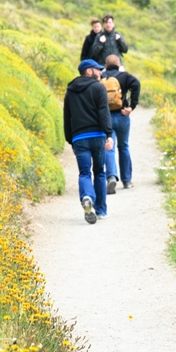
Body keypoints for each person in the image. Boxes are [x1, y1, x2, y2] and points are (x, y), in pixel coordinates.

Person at [63, 59, 113, 224]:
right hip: (98, 135)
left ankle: (86, 197)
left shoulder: (70, 91)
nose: (101, 73)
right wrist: (108, 134)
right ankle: (100, 210)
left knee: (84, 173)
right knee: (99, 172)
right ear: (89, 71)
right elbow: (104, 112)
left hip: (79, 138)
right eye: (98, 70)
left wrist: (70, 140)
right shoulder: (98, 88)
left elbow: (67, 117)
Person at [103, 54, 140, 193]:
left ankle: (111, 177)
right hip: (123, 115)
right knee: (123, 146)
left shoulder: (101, 76)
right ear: (119, 65)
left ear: (105, 65)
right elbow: (136, 84)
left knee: (109, 148)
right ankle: (127, 180)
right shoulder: (124, 76)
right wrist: (132, 106)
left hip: (106, 118)